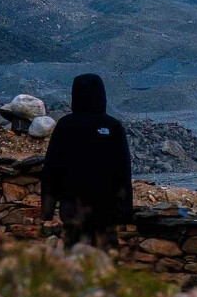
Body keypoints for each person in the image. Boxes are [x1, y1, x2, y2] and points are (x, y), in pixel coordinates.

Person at [40, 73, 133, 244]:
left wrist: (47, 209)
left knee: (76, 259)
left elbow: (51, 170)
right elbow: (123, 171)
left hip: (72, 209)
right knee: (105, 261)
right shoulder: (112, 126)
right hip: (106, 209)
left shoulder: (65, 125)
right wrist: (125, 211)